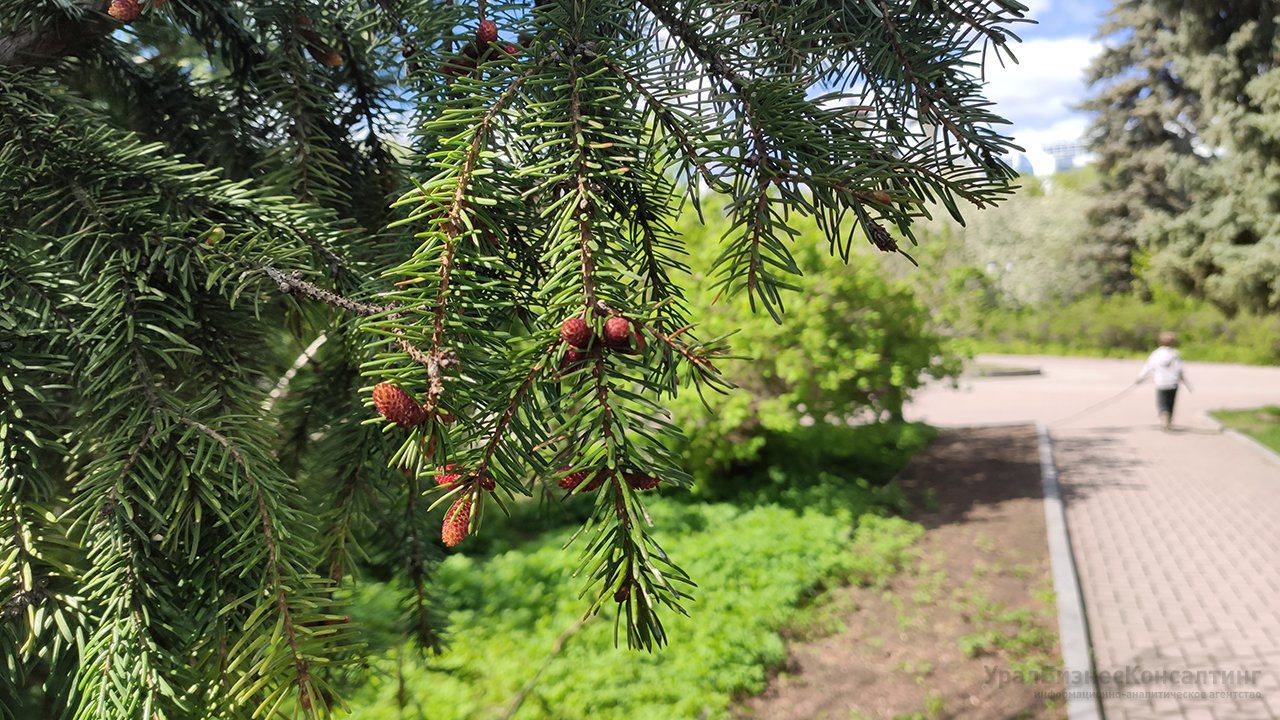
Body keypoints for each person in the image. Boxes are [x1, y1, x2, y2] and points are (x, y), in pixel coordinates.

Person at [1136, 331, 1191, 430]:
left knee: (1162, 401)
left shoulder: (1156, 354)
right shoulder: (1175, 354)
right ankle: (1168, 417)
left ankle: (1163, 414)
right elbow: (1179, 368)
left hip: (1161, 382)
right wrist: (1183, 378)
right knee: (1171, 401)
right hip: (1173, 382)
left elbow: (1148, 366)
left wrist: (1140, 377)